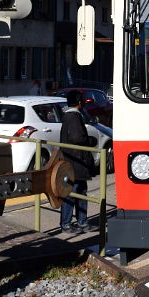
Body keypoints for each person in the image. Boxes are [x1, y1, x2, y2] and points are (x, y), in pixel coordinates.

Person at [59, 90, 95, 233]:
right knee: (74, 192)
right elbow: (76, 138)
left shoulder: (69, 116)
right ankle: (70, 223)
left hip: (72, 160)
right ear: (80, 103)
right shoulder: (74, 117)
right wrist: (90, 140)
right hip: (76, 161)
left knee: (79, 191)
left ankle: (81, 222)